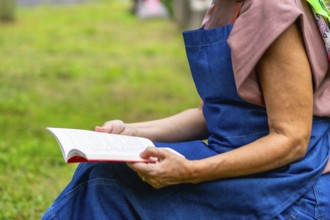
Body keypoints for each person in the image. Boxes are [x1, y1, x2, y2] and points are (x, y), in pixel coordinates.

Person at [42, 0, 330, 219]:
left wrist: (190, 171)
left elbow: (291, 140)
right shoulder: (222, 8)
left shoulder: (271, 9)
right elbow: (210, 114)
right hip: (234, 160)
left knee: (109, 185)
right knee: (101, 170)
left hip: (290, 184)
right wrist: (130, 132)